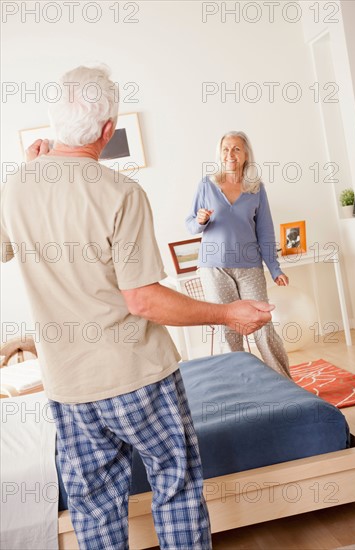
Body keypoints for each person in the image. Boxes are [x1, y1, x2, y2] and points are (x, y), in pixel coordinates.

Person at [1, 67, 275, 550]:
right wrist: (228, 314)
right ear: (108, 131)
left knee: (93, 506)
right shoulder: (120, 193)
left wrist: (27, 171)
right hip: (137, 376)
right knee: (175, 486)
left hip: (68, 386)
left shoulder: (16, 186)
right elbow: (142, 299)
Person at [186, 131, 291, 379]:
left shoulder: (256, 189)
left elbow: (265, 233)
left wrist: (275, 269)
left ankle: (286, 383)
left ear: (245, 155)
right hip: (214, 268)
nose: (230, 154)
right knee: (228, 329)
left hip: (249, 266)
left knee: (262, 325)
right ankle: (240, 386)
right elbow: (190, 224)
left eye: (236, 149)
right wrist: (200, 221)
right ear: (219, 153)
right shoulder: (206, 185)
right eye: (225, 149)